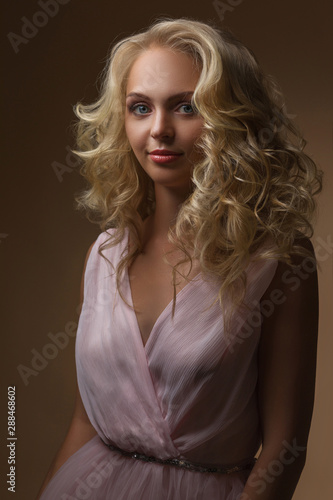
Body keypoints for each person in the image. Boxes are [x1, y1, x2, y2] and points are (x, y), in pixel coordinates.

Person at [37, 16, 322, 500]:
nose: (159, 129)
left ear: (232, 118)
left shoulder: (277, 260)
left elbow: (284, 447)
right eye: (140, 108)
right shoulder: (104, 255)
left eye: (186, 107)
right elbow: (86, 421)